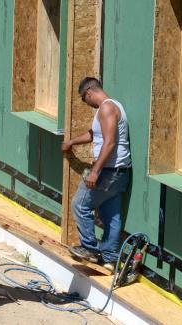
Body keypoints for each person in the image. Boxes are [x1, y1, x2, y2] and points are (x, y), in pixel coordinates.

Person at [61, 77, 131, 272]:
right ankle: (109, 259)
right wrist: (71, 142)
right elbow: (95, 134)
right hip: (120, 172)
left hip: (108, 171)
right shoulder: (112, 107)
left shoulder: (106, 108)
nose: (86, 103)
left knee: (80, 205)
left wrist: (95, 171)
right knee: (112, 216)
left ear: (89, 92)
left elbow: (109, 143)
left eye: (84, 99)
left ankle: (89, 249)